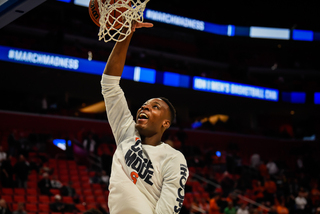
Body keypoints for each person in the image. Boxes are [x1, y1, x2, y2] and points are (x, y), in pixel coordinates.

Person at [100, 21, 189, 214]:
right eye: (144, 105)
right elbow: (109, 85)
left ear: (166, 123)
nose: (145, 107)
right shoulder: (127, 134)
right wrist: (126, 33)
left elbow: (168, 209)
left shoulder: (173, 158)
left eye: (154, 107)